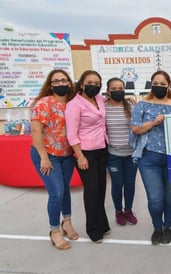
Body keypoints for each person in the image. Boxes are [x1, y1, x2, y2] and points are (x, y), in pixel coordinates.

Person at [130, 70, 171, 245]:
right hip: (149, 159)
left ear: (169, 86)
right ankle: (157, 227)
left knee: (170, 196)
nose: (159, 86)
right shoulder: (142, 105)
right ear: (151, 84)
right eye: (156, 83)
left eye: (163, 84)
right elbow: (135, 129)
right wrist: (153, 122)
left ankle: (167, 227)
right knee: (155, 198)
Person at [30, 69, 78, 250]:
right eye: (56, 81)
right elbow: (36, 131)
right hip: (47, 155)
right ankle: (54, 230)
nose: (60, 84)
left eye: (63, 80)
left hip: (66, 156)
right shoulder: (44, 103)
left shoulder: (73, 102)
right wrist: (43, 157)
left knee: (65, 190)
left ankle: (67, 221)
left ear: (69, 83)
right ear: (50, 85)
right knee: (56, 193)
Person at [65, 70, 111, 243]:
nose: (94, 86)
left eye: (97, 83)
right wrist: (80, 156)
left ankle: (103, 224)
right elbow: (71, 134)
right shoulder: (74, 104)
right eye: (90, 82)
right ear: (82, 84)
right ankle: (93, 230)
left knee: (100, 189)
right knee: (91, 191)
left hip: (101, 148)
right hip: (85, 152)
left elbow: (106, 107)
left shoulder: (99, 99)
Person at [105, 77, 138, 226]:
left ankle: (129, 210)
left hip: (131, 154)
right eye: (114, 89)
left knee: (130, 184)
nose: (118, 91)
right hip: (114, 155)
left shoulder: (130, 106)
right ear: (108, 91)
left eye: (121, 88)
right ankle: (118, 211)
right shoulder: (103, 107)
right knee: (117, 184)